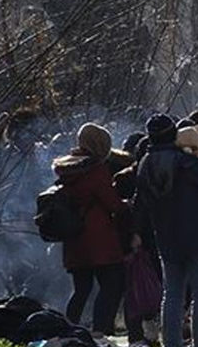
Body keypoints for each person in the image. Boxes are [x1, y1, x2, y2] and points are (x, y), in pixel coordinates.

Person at [135, 113, 198, 347]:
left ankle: (171, 344)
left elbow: (141, 206)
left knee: (172, 296)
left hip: (166, 239)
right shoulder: (185, 162)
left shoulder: (144, 166)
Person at [51, 123, 128, 337]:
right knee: (111, 285)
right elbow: (113, 203)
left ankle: (66, 330)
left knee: (81, 290)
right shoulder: (95, 170)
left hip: (74, 239)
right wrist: (127, 206)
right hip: (99, 240)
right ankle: (100, 331)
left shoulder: (66, 169)